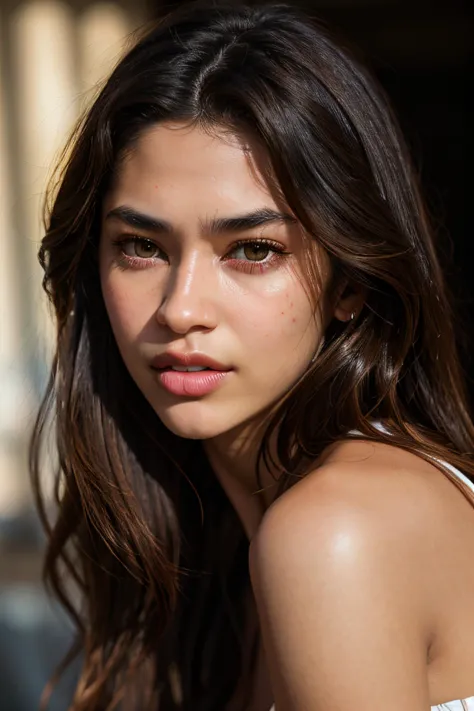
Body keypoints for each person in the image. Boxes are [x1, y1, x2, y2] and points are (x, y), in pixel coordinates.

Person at [30, 1, 474, 709]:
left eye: (253, 250)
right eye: (141, 246)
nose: (181, 308)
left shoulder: (336, 530)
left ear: (350, 285)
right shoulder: (221, 549)